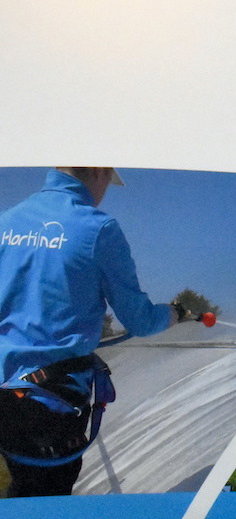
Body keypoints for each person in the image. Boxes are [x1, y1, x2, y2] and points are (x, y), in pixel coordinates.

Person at [0, 167, 179, 497]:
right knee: (42, 507)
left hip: (3, 391)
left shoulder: (6, 222)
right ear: (99, 172)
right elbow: (140, 321)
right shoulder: (99, 229)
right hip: (50, 402)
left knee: (21, 490)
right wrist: (175, 314)